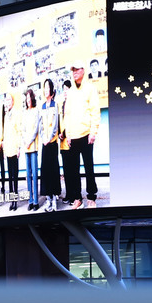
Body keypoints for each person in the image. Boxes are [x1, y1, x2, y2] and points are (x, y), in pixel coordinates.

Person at [59, 60, 101, 208]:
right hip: (73, 137)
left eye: (77, 69)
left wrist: (93, 132)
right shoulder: (70, 92)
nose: (74, 72)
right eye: (73, 70)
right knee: (74, 170)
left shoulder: (90, 88)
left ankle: (91, 197)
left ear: (83, 70)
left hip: (86, 135)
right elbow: (67, 114)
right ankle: (77, 198)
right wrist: (68, 134)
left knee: (89, 167)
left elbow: (95, 111)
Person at [39, 78, 63, 211]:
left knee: (53, 170)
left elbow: (55, 124)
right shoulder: (42, 106)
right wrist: (43, 137)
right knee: (45, 171)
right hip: (44, 143)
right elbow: (41, 125)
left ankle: (54, 199)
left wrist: (49, 138)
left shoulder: (55, 105)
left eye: (48, 87)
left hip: (52, 143)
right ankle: (48, 199)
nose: (46, 90)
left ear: (52, 90)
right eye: (44, 87)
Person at [2, 91, 23, 211]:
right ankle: (12, 200)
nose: (8, 102)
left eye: (9, 100)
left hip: (15, 148)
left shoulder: (16, 113)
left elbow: (19, 131)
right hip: (8, 149)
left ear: (13, 101)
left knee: (15, 176)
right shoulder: (6, 115)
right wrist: (4, 150)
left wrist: (18, 147)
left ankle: (15, 201)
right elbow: (5, 134)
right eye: (6, 100)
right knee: (10, 177)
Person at [21, 87, 41, 211]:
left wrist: (29, 141)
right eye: (26, 98)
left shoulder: (36, 111)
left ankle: (36, 201)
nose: (28, 100)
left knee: (34, 174)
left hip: (33, 147)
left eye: (29, 98)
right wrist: (25, 140)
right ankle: (30, 200)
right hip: (26, 148)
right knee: (28, 175)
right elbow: (22, 129)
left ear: (32, 98)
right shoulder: (25, 112)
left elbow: (36, 129)